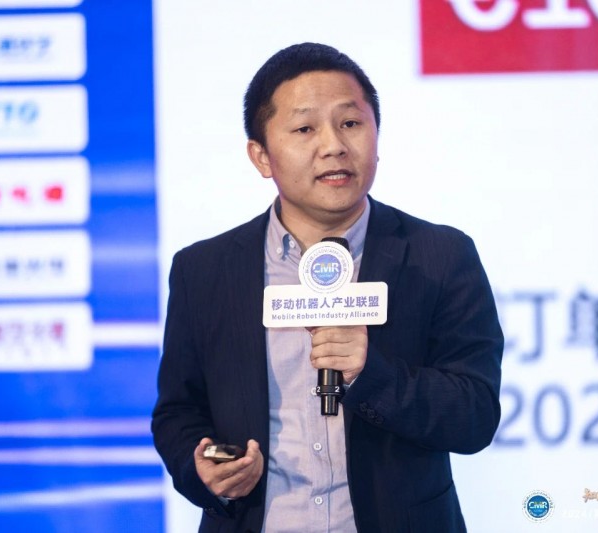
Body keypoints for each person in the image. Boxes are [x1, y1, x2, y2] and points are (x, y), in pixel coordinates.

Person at [151, 42, 503, 533]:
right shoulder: (204, 270)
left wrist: (371, 375)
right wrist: (208, 467)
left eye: (350, 123)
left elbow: (474, 415)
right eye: (305, 129)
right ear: (261, 156)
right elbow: (178, 413)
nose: (334, 145)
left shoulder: (440, 256)